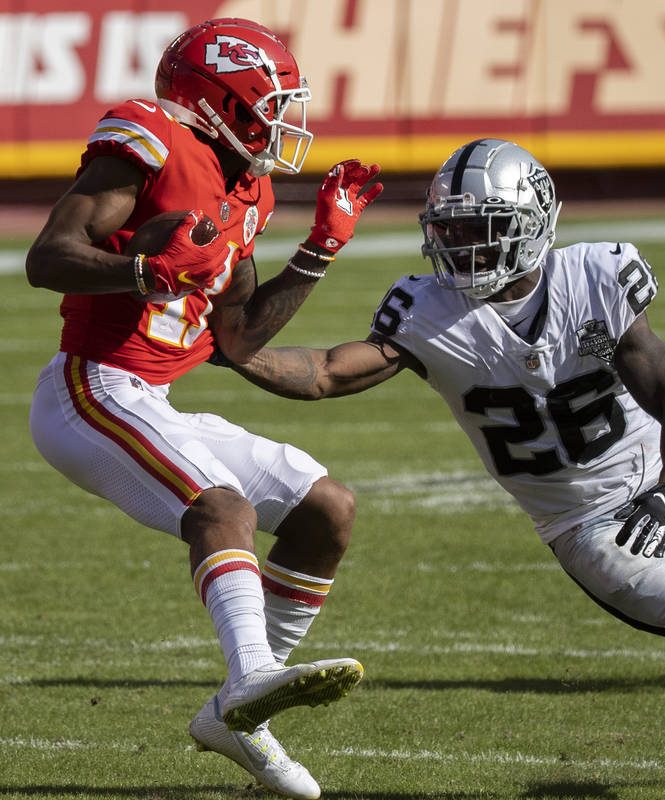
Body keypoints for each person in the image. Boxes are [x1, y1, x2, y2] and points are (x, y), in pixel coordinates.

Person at [223, 136, 665, 799]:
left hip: (663, 482)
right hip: (582, 524)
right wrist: (235, 348)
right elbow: (321, 373)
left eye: (480, 228)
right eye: (452, 229)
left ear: (532, 221)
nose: (462, 247)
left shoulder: (597, 275)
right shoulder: (429, 310)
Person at [25, 17, 383, 799]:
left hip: (153, 397)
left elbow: (240, 340)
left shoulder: (247, 186)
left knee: (328, 508)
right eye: (270, 103)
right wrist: (146, 272)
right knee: (221, 506)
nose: (283, 122)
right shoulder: (151, 139)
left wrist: (319, 251)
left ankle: (242, 711)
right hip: (92, 385)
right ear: (220, 99)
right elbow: (46, 258)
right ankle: (251, 675)